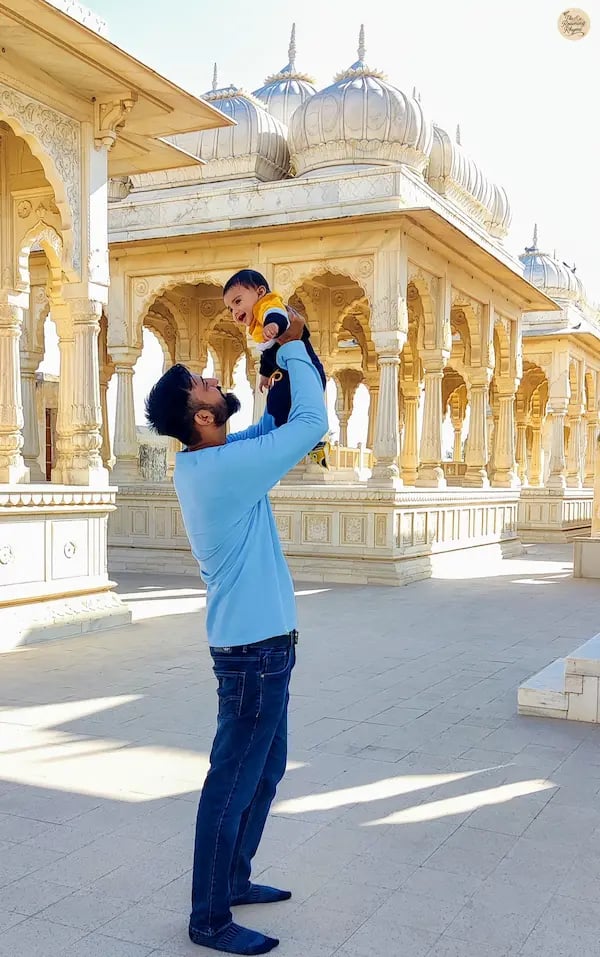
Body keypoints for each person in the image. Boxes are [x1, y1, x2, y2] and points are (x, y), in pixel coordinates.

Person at [145, 312, 328, 956]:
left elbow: (276, 425)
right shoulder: (220, 471)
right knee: (231, 781)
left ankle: (236, 878)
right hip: (253, 658)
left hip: (264, 650)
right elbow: (311, 426)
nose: (211, 377)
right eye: (199, 381)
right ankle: (209, 917)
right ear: (200, 416)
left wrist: (278, 354)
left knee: (266, 769)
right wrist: (298, 345)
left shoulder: (219, 459)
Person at [223, 269, 329, 468]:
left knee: (285, 412)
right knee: (276, 407)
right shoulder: (257, 322)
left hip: (304, 372)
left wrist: (273, 326)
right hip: (289, 376)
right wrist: (264, 375)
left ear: (260, 292)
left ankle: (309, 445)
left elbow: (278, 316)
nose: (235, 312)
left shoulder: (267, 306)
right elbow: (269, 354)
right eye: (230, 309)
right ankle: (309, 445)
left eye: (237, 302)